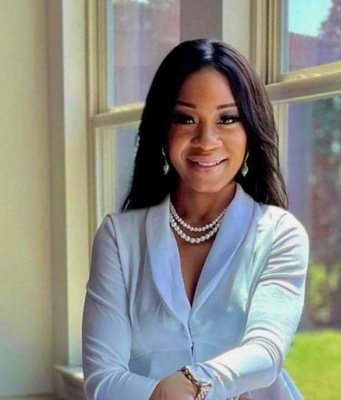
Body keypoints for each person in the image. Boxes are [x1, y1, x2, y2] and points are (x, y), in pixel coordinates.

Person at [82, 38, 309, 400]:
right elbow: (102, 381)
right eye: (186, 118)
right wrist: (164, 394)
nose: (207, 140)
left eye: (227, 119)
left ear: (250, 131)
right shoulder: (118, 238)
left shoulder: (280, 233)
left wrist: (194, 382)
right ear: (163, 129)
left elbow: (266, 353)